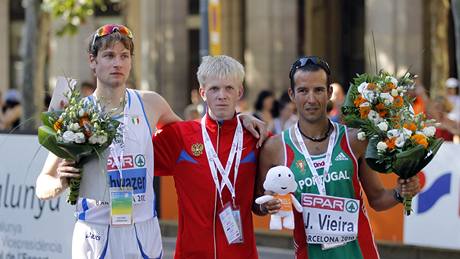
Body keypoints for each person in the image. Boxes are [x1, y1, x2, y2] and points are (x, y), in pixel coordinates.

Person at [35, 24, 266, 259]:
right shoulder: (78, 113)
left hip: (143, 230)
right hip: (96, 231)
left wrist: (237, 120)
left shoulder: (150, 103)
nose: (118, 63)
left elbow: (197, 134)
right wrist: (59, 183)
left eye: (124, 56)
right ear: (92, 61)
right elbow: (43, 183)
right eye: (109, 56)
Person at [256, 56, 420, 258]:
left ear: (330, 92)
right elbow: (258, 205)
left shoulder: (354, 140)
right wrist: (266, 205)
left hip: (360, 253)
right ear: (291, 94)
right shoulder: (274, 148)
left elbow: (377, 199)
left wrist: (401, 192)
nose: (311, 99)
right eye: (303, 91)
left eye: (318, 90)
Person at [153, 55, 268, 259]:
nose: (221, 95)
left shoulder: (256, 137)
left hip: (242, 254)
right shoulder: (179, 136)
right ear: (202, 93)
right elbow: (134, 154)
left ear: (239, 92)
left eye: (229, 88)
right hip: (190, 254)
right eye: (214, 89)